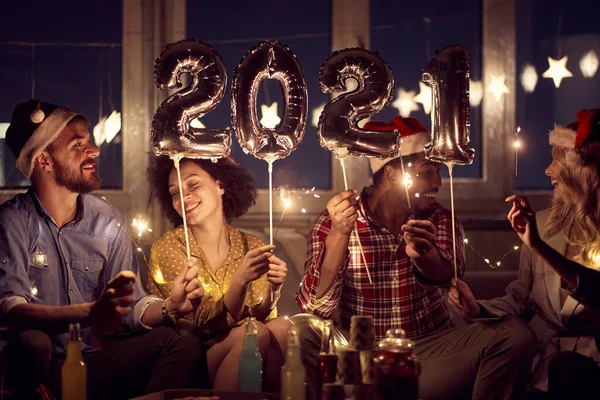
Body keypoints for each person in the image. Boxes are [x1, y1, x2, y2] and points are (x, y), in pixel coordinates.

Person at [295, 115, 537, 400]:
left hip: (427, 353)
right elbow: (315, 307)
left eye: (437, 172)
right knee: (300, 328)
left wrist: (423, 255)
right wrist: (339, 235)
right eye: (427, 172)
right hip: (357, 353)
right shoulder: (336, 219)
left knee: (516, 336)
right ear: (392, 175)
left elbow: (448, 273)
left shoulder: (440, 218)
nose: (438, 182)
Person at [0, 99, 209, 400]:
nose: (94, 150)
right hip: (32, 369)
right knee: (34, 342)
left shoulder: (107, 220)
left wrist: (168, 308)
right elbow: (13, 311)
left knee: (182, 339)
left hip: (85, 362)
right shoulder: (12, 222)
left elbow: (131, 308)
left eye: (89, 140)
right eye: (77, 145)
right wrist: (90, 313)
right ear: (43, 160)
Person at [449, 109, 600, 399]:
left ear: (584, 171)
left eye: (557, 160)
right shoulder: (541, 225)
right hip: (539, 371)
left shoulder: (538, 238)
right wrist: (476, 308)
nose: (547, 171)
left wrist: (538, 247)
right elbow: (521, 299)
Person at [146, 155, 292, 391]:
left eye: (192, 185)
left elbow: (260, 316)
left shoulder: (251, 245)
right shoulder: (167, 248)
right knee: (252, 334)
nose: (183, 198)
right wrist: (241, 280)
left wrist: (274, 290)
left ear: (221, 185)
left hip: (247, 343)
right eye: (174, 192)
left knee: (283, 330)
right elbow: (204, 324)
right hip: (189, 356)